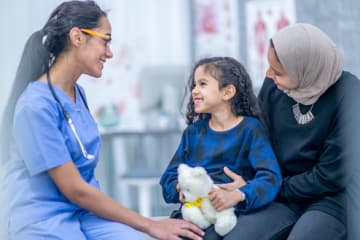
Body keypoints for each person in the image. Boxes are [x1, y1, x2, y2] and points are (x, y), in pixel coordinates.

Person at [0, 1, 204, 240]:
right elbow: (75, 189)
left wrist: (147, 228)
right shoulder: (35, 106)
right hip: (42, 217)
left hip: (84, 214)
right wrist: (149, 224)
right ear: (77, 37)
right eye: (105, 41)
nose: (110, 52)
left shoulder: (77, 94)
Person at [218, 23, 360, 239]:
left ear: (304, 69)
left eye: (278, 72)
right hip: (281, 192)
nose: (269, 75)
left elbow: (330, 176)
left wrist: (267, 188)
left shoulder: (349, 94)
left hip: (332, 198)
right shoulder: (275, 86)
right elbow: (254, 136)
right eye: (269, 67)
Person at [159, 56, 282, 240]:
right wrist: (180, 189)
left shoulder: (251, 129)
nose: (194, 91)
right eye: (194, 85)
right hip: (196, 213)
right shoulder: (193, 133)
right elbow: (168, 178)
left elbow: (270, 178)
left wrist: (239, 194)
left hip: (232, 214)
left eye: (202, 84)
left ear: (227, 92)